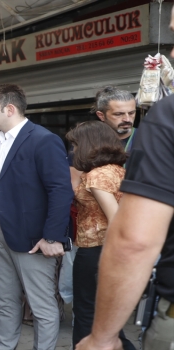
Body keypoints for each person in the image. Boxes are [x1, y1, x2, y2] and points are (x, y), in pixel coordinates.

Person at [76, 15, 174, 347]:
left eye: (131, 113)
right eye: (120, 114)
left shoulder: (165, 121)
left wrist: (102, 338)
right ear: (101, 117)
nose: (128, 119)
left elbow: (135, 239)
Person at [0, 83, 73, 350]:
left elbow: (60, 190)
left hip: (33, 237)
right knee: (4, 300)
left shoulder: (43, 139)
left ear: (9, 109)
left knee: (41, 304)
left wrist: (52, 237)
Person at [66, 121, 135, 350]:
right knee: (106, 320)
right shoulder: (117, 169)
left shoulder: (96, 175)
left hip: (97, 251)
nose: (74, 150)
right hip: (108, 252)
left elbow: (115, 218)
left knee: (87, 316)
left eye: (76, 144)